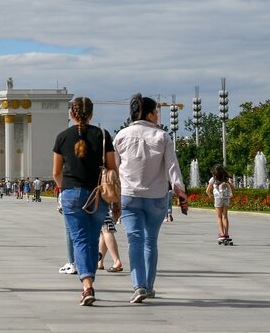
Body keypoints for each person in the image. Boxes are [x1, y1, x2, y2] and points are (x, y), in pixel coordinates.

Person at [115, 94, 187, 304]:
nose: (158, 115)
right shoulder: (163, 136)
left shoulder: (121, 135)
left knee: (134, 240)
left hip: (129, 195)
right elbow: (173, 167)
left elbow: (114, 166)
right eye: (156, 111)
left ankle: (138, 286)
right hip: (156, 197)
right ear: (149, 114)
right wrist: (180, 191)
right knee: (150, 241)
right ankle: (149, 285)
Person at [54, 97, 117, 306]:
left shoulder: (62, 137)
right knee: (90, 239)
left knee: (81, 239)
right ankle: (88, 281)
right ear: (91, 114)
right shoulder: (102, 135)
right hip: (98, 194)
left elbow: (56, 173)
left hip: (71, 194)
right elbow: (112, 169)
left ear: (71, 114)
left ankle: (87, 285)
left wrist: (65, 189)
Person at [206, 164, 233, 243]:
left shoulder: (213, 179)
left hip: (218, 198)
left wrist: (210, 195)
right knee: (225, 216)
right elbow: (233, 188)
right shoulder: (227, 178)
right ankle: (226, 234)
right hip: (226, 197)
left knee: (219, 217)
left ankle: (221, 234)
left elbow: (207, 190)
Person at [96, 204, 124, 273]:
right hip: (106, 200)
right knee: (103, 230)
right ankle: (100, 261)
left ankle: (116, 261)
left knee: (106, 228)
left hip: (103, 200)